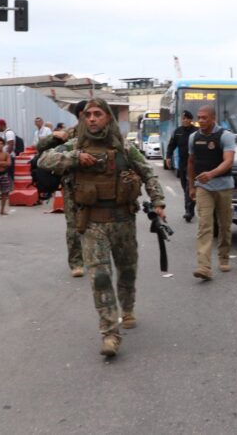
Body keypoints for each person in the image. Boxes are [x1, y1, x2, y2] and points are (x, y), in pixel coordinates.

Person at [38, 98, 166, 357]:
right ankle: (109, 332)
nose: (92, 119)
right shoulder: (76, 145)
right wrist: (75, 158)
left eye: (98, 114)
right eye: (88, 115)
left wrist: (159, 201)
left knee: (127, 270)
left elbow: (147, 172)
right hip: (93, 222)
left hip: (123, 221)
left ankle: (127, 307)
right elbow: (44, 160)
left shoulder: (124, 148)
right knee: (100, 276)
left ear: (108, 117)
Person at [37, 100, 86, 278]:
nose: (93, 117)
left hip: (97, 187)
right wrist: (55, 136)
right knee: (73, 225)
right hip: (73, 185)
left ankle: (95, 256)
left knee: (96, 225)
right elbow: (41, 148)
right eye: (88, 113)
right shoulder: (70, 133)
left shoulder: (102, 133)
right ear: (80, 115)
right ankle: (76, 262)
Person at [188, 105, 236, 280]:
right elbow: (191, 162)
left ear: (213, 118)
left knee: (224, 225)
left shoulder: (226, 136)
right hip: (204, 188)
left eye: (204, 118)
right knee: (204, 226)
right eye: (199, 118)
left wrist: (212, 174)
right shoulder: (194, 137)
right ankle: (204, 266)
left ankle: (223, 256)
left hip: (224, 186)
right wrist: (191, 187)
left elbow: (228, 161)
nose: (200, 121)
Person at [165, 110, 197, 222]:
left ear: (191, 120)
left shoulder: (196, 132)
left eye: (187, 118)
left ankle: (188, 211)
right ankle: (190, 209)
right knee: (185, 188)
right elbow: (171, 145)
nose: (185, 120)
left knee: (189, 186)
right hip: (182, 164)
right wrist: (168, 157)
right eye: (183, 119)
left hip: (193, 165)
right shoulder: (178, 132)